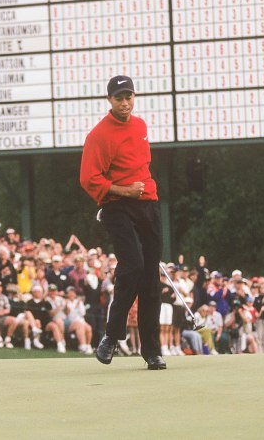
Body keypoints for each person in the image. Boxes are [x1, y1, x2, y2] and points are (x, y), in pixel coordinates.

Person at [80, 75, 164, 370]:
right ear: (109, 100)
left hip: (148, 203)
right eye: (119, 98)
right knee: (134, 266)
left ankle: (152, 351)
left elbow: (141, 165)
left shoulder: (140, 125)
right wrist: (124, 190)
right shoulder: (99, 135)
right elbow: (89, 179)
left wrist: (140, 193)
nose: (125, 102)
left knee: (151, 279)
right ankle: (112, 336)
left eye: (128, 96)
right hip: (116, 205)